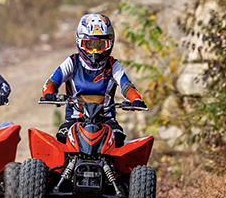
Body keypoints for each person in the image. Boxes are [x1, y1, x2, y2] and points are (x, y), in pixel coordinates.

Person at [40, 14, 146, 147]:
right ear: (80, 42)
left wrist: (136, 99)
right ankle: (61, 168)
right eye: (89, 45)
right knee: (62, 137)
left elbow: (126, 85)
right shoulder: (72, 61)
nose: (95, 51)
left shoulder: (113, 65)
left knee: (118, 138)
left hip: (106, 120)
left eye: (100, 45)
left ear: (110, 44)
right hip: (75, 120)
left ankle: (117, 168)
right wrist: (48, 94)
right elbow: (52, 82)